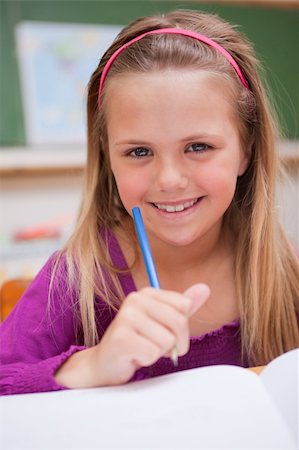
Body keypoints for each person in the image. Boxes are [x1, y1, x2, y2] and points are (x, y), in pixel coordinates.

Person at [1, 9, 298, 395]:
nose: (169, 180)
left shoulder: (285, 272)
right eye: (140, 151)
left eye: (198, 146)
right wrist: (91, 366)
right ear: (108, 157)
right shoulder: (74, 279)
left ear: (246, 151)